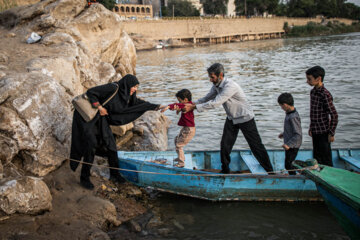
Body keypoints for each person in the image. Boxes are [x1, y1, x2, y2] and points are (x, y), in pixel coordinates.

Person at [70, 74, 161, 190]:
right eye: (134, 86)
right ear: (127, 84)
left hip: (101, 120)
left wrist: (156, 106)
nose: (135, 89)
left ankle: (115, 174)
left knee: (111, 146)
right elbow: (91, 92)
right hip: (88, 119)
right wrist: (100, 108)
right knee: (90, 145)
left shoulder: (127, 95)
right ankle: (84, 178)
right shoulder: (113, 88)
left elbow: (138, 103)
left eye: (137, 87)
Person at [183, 63, 274, 174]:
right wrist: (190, 104)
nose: (210, 80)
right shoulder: (216, 85)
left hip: (245, 118)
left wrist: (193, 107)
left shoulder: (230, 86)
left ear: (220, 75)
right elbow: (207, 98)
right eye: (209, 77)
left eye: (212, 77)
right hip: (232, 119)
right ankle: (225, 171)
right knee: (225, 145)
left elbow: (216, 103)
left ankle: (270, 171)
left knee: (256, 146)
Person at [306, 66, 338, 166]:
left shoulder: (325, 94)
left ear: (318, 79)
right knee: (317, 156)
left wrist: (331, 133)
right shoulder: (313, 92)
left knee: (326, 158)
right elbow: (313, 113)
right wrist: (311, 127)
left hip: (324, 132)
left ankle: (329, 178)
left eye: (309, 79)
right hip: (315, 131)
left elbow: (334, 115)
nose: (307, 81)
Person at [161, 89, 195, 168]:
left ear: (185, 100)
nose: (179, 103)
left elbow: (179, 105)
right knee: (176, 140)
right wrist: (178, 110)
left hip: (189, 130)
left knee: (179, 145)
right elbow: (181, 107)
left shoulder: (188, 105)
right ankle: (180, 157)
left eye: (180, 101)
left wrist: (168, 107)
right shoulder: (189, 104)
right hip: (186, 128)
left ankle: (181, 163)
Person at [277, 93, 302, 175]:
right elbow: (291, 129)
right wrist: (284, 134)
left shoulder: (293, 117)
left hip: (293, 145)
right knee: (288, 163)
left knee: (289, 164)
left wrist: (289, 144)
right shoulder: (289, 114)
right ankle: (294, 175)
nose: (281, 108)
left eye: (281, 106)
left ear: (285, 105)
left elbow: (298, 134)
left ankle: (297, 175)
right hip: (289, 144)